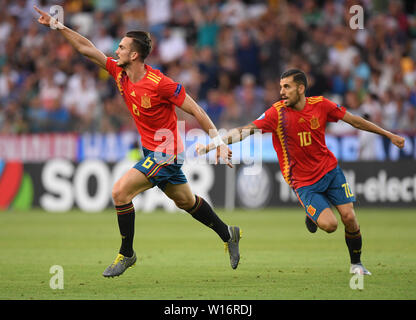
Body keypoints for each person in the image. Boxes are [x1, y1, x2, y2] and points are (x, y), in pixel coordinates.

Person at [34, 6, 242, 277]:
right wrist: (57, 26)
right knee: (187, 202)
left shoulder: (160, 83)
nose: (115, 50)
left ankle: (127, 253)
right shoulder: (119, 73)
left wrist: (219, 142)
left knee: (120, 192)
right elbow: (87, 48)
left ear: (134, 54)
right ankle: (228, 233)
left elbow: (197, 111)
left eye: (121, 47)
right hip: (152, 149)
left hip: (168, 151)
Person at [198, 69, 405, 276]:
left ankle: (356, 264)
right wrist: (214, 143)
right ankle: (312, 214)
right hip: (303, 181)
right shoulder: (276, 113)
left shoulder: (321, 105)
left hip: (330, 170)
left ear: (301, 88)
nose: (281, 91)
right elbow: (244, 130)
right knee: (330, 225)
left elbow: (354, 120)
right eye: (280, 87)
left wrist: (388, 134)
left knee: (349, 217)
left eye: (286, 87)